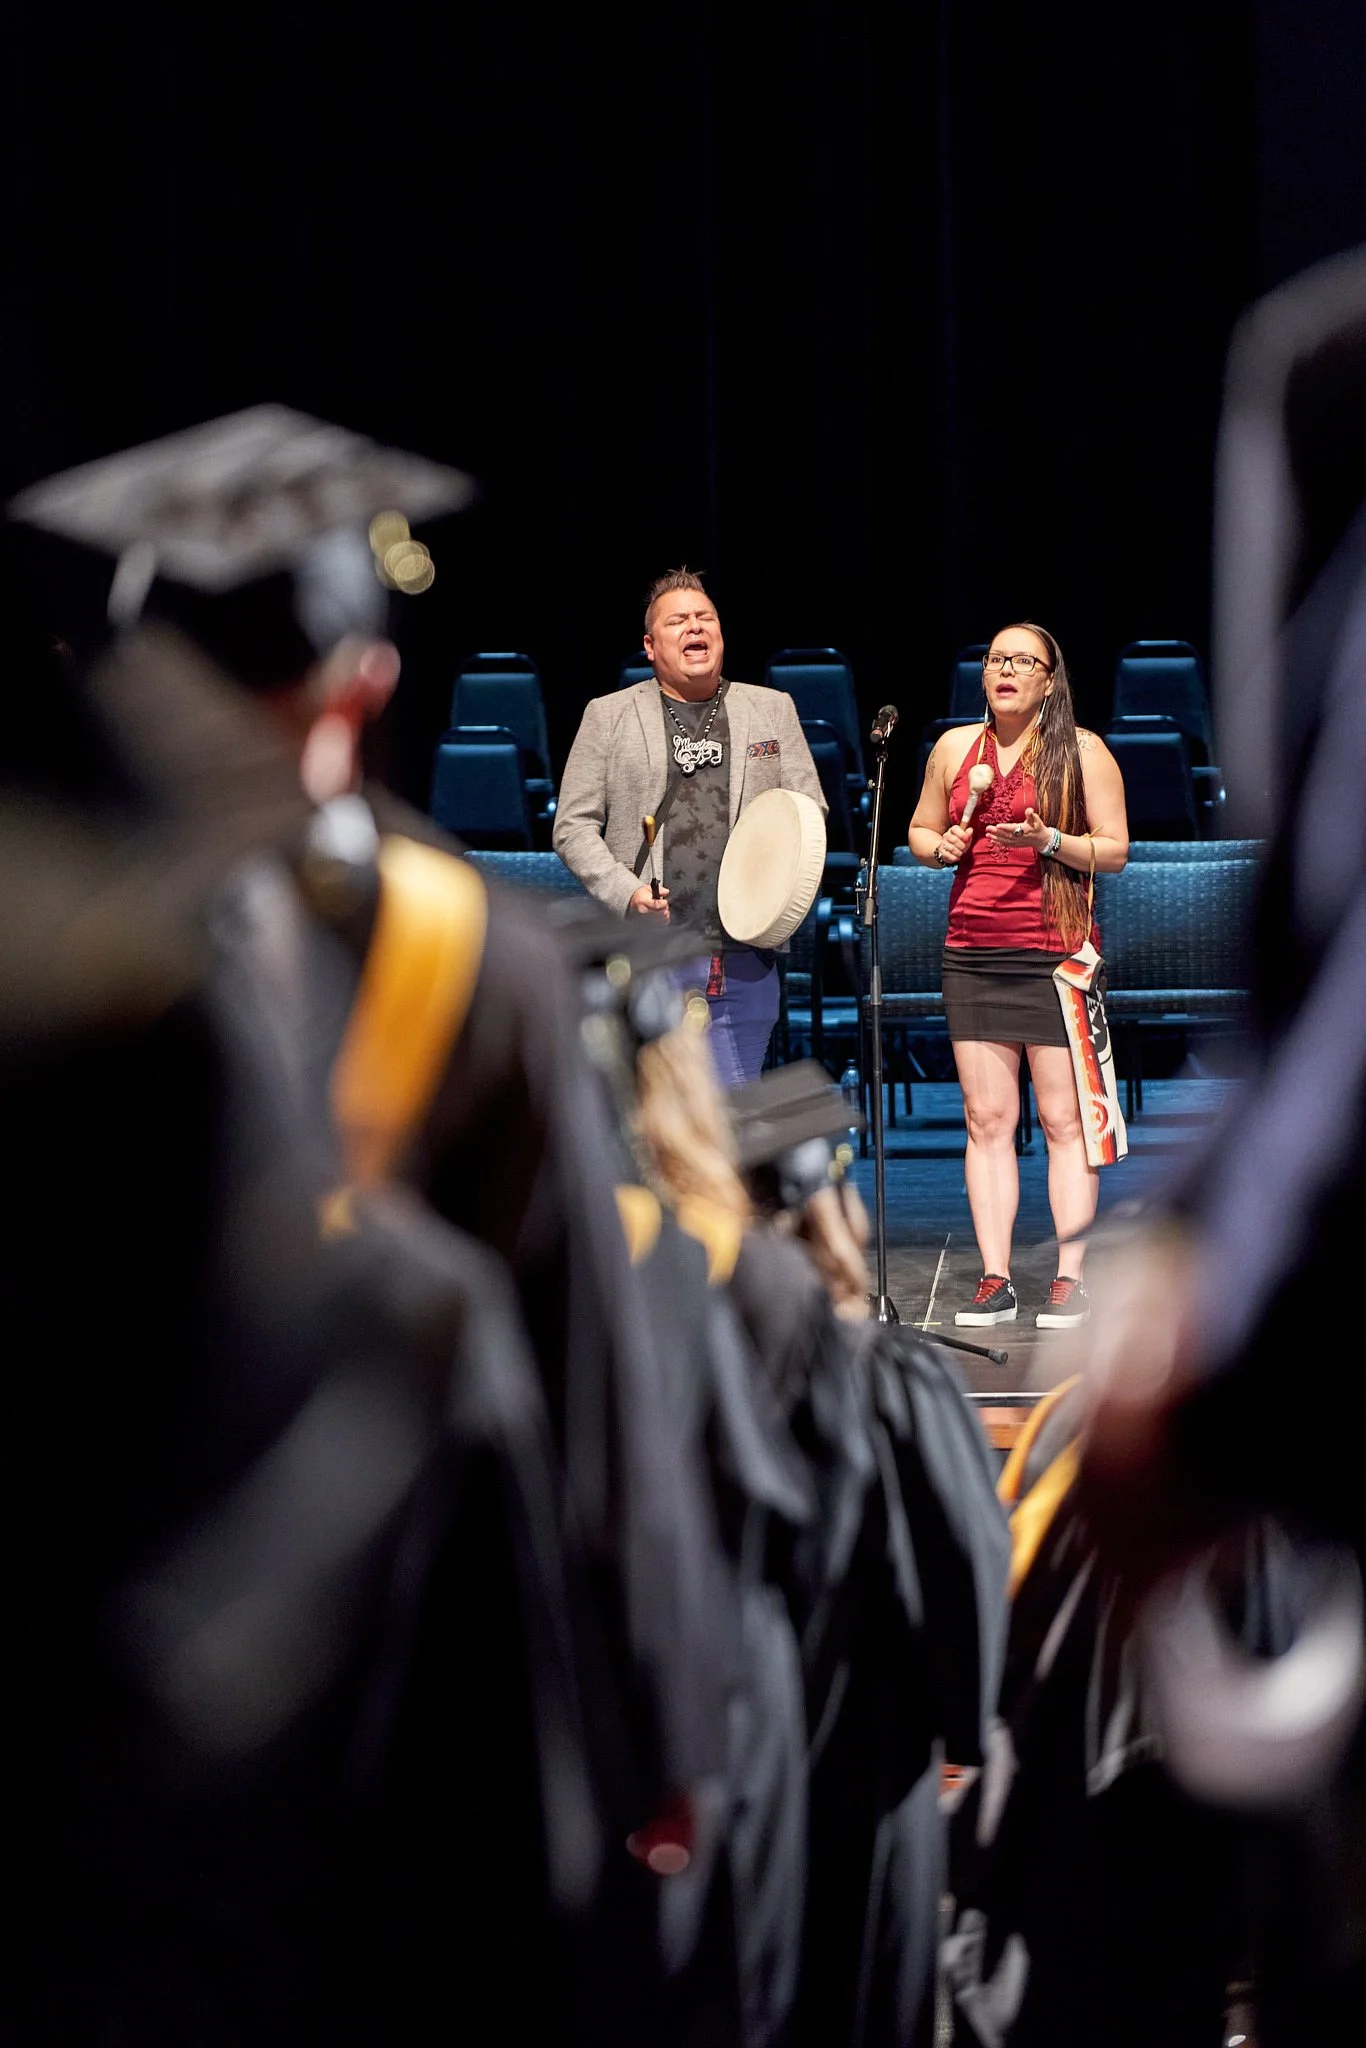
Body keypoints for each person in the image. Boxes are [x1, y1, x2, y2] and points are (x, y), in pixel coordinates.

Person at [906, 623, 1129, 1328]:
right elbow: (917, 831)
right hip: (974, 950)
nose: (1005, 670)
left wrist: (1049, 841)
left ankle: (1069, 1277)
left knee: (1062, 1120)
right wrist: (936, 847)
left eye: (1021, 661)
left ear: (1049, 680)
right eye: (996, 660)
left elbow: (1117, 850)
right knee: (987, 1118)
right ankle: (995, 1278)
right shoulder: (952, 750)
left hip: (1056, 952)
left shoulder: (1083, 751)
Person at [553, 567, 825, 1087]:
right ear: (651, 646)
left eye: (705, 618)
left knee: (735, 1109)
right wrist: (627, 892)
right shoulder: (608, 716)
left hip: (745, 949)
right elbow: (572, 825)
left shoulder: (771, 710)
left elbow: (808, 809)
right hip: (652, 950)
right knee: (662, 1117)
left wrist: (772, 885)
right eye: (678, 621)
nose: (694, 627)